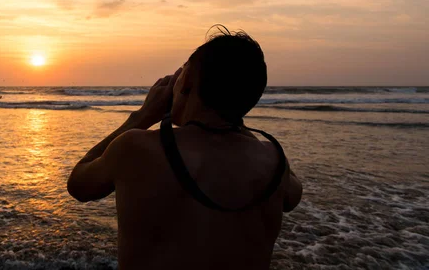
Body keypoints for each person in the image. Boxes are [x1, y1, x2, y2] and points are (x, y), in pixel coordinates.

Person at [67, 26, 303, 269]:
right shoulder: (273, 161)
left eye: (181, 72)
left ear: (188, 80)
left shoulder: (135, 147)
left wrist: (142, 116)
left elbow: (79, 184)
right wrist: (233, 118)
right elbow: (293, 197)